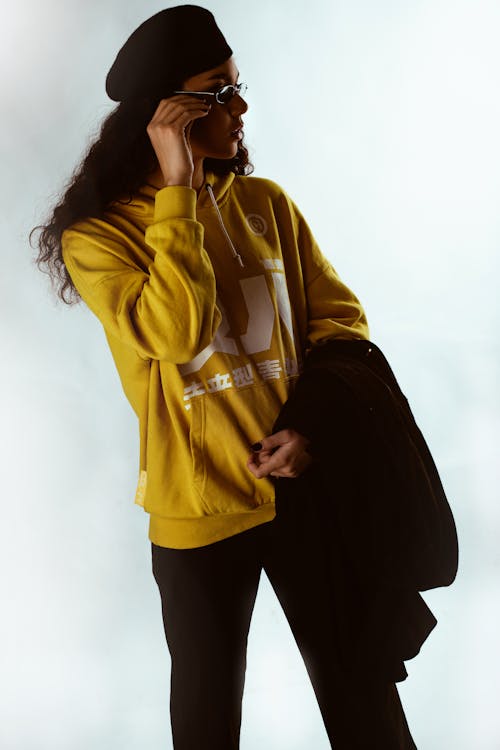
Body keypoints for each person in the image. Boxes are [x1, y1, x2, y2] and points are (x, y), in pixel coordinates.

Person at [32, 6, 418, 748]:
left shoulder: (266, 205)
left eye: (239, 87)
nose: (240, 108)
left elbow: (341, 324)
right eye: (218, 93)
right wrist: (179, 190)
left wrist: (311, 428)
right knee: (207, 722)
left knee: (363, 701)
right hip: (198, 512)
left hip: (305, 491)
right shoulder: (98, 239)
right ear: (166, 115)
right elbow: (174, 335)